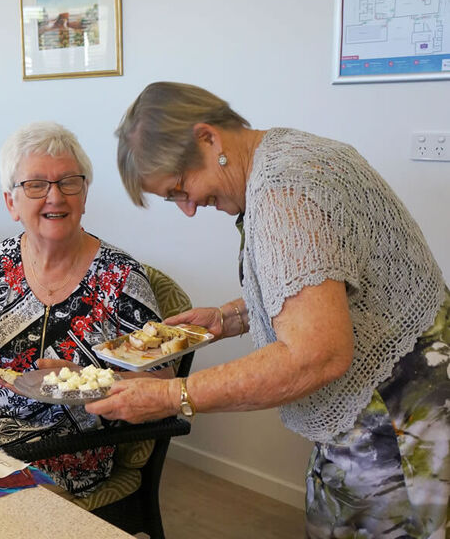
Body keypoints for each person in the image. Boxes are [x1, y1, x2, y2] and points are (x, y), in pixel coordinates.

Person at [87, 81, 449, 536]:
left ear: (208, 138)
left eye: (180, 189)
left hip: (399, 418)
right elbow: (326, 283)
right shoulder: (292, 152)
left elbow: (315, 353)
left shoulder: (282, 190)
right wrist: (229, 318)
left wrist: (169, 396)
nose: (189, 209)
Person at [0, 122, 167, 497]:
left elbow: (163, 387)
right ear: (10, 202)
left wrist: (89, 381)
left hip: (62, 452)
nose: (55, 197)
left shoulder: (120, 278)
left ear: (84, 195)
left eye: (69, 182)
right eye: (35, 185)